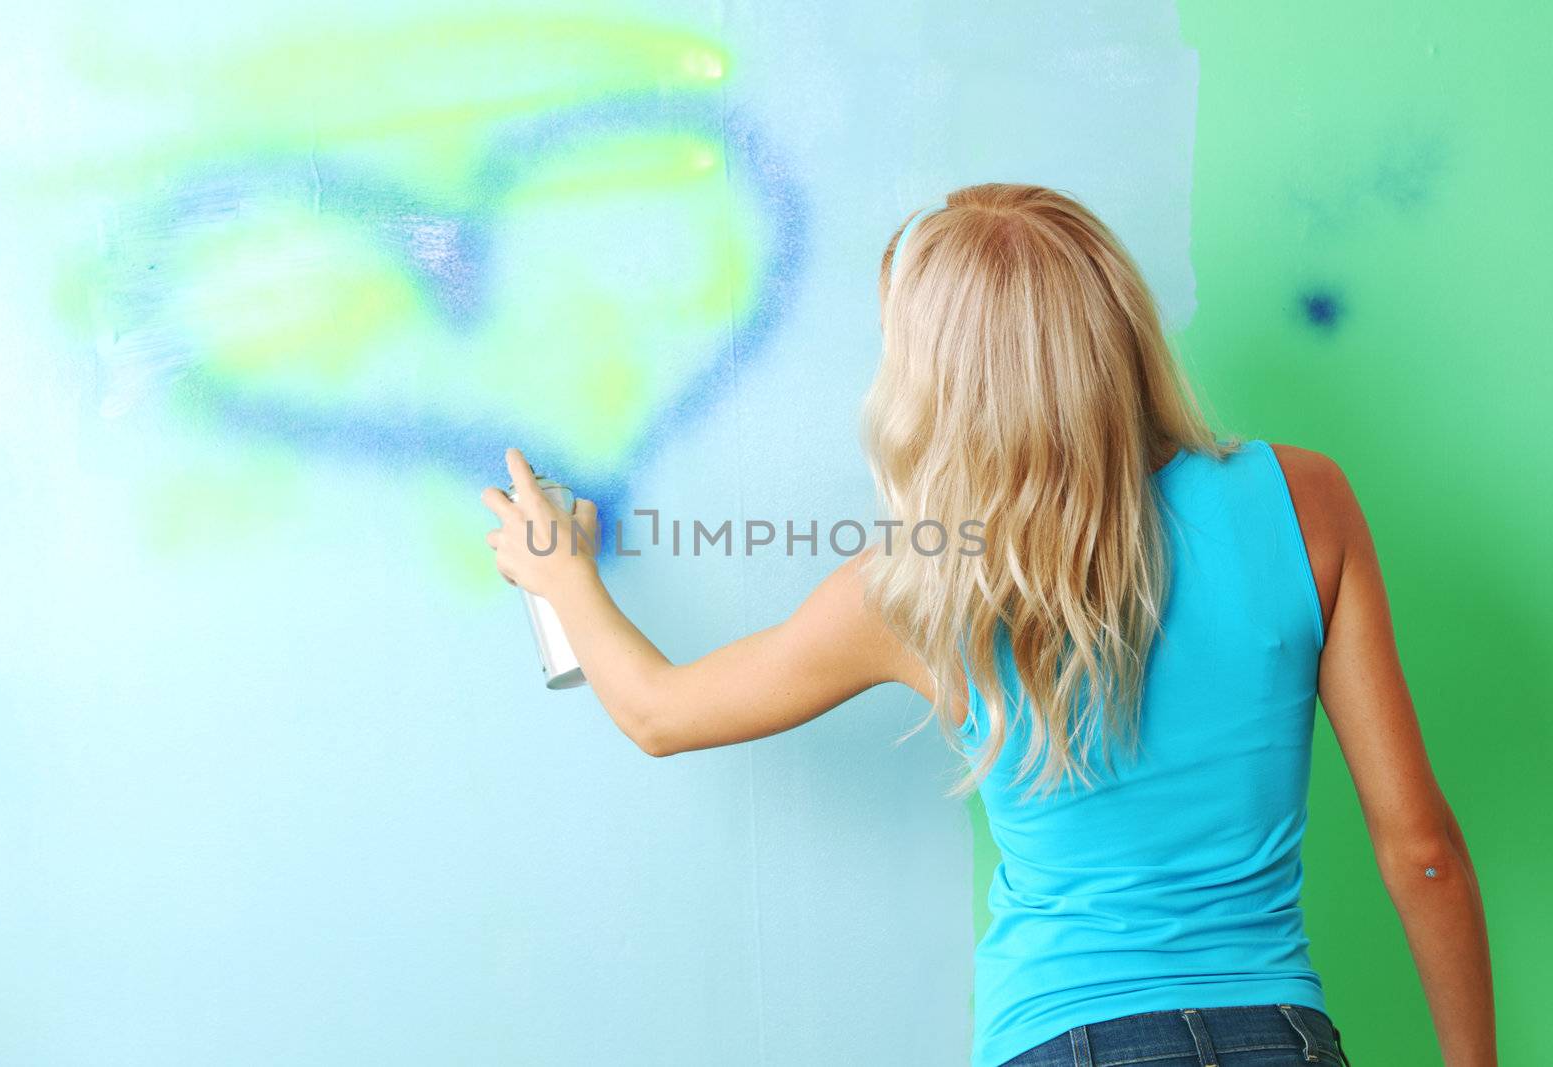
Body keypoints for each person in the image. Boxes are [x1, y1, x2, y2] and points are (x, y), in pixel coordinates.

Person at [480, 183, 1495, 1066]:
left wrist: (559, 574)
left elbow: (659, 711)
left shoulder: (917, 586)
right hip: (1281, 1036)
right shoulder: (1302, 499)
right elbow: (1421, 847)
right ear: (1115, 325)